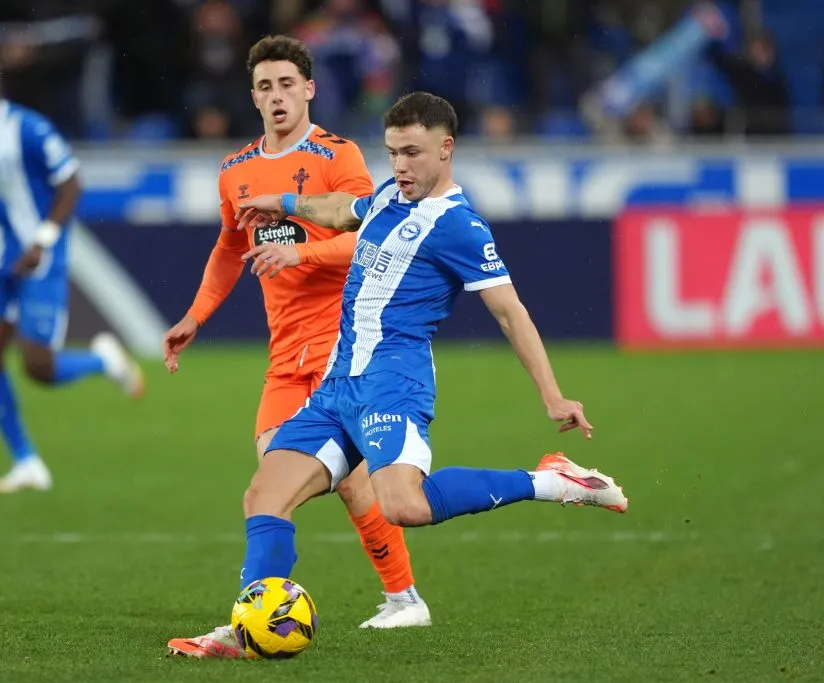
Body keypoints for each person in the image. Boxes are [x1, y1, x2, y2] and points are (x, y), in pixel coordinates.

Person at [170, 91, 628, 659]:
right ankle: (250, 627)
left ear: (446, 148)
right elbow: (342, 210)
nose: (400, 166)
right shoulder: (390, 194)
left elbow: (511, 313)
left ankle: (552, 481)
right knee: (264, 495)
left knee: (403, 507)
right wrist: (285, 203)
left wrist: (553, 396)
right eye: (392, 153)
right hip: (339, 385)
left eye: (412, 153)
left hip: (394, 384)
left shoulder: (460, 226)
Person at [164, 36, 431, 654]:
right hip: (286, 358)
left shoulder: (338, 155)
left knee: (338, 488)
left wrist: (300, 252)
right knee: (272, 489)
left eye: (287, 84)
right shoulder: (235, 171)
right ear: (253, 97)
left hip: (344, 349)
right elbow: (229, 248)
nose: (277, 96)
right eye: (265, 86)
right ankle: (292, 613)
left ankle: (280, 617)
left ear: (308, 89)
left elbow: (369, 234)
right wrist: (196, 316)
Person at [0, 53, 143, 494]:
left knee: (38, 368)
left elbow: (71, 184)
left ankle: (104, 361)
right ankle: (26, 461)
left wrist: (42, 239)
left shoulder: (28, 129)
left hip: (40, 259)